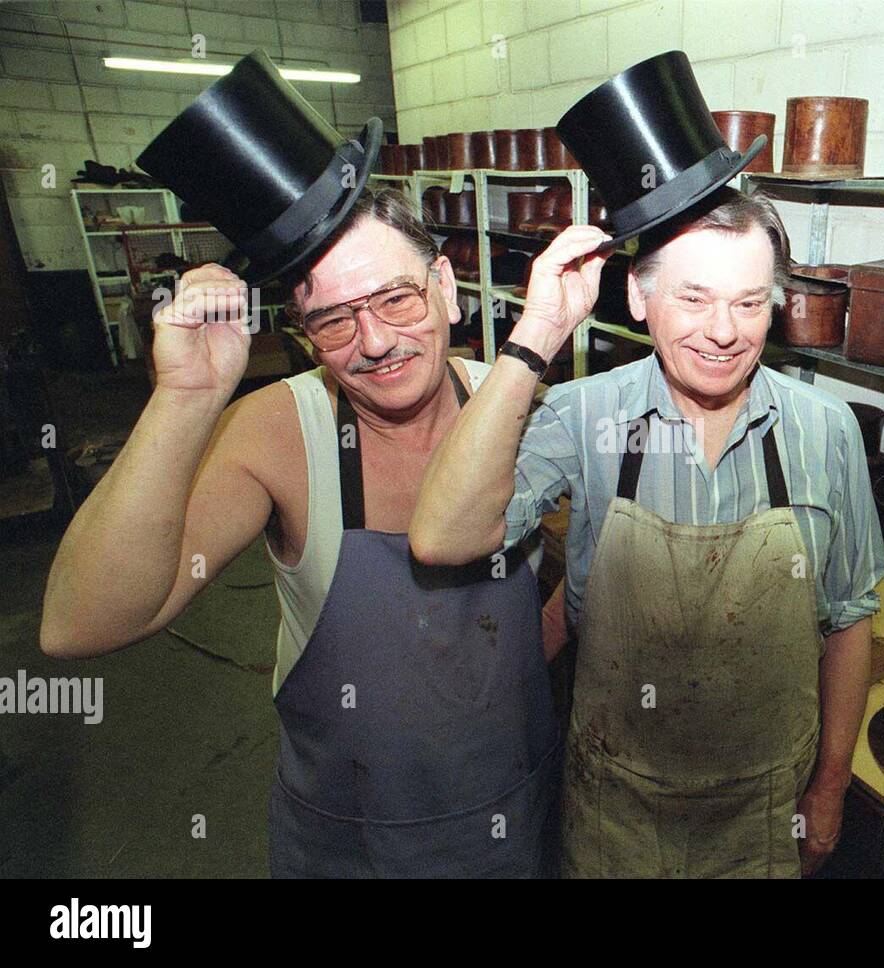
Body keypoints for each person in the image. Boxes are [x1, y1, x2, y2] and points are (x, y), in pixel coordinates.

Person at [41, 189, 562, 876]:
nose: (375, 343)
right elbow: (79, 625)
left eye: (396, 299)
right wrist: (186, 399)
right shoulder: (279, 431)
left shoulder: (523, 408)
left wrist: (510, 676)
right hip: (353, 843)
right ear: (301, 331)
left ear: (444, 286)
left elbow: (589, 580)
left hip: (516, 816)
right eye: (334, 321)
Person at [410, 188, 884, 877]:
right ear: (638, 296)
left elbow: (849, 620)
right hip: (616, 806)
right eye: (693, 299)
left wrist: (831, 788)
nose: (724, 331)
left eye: (750, 302)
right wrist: (537, 334)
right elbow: (441, 537)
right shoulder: (584, 415)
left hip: (765, 809)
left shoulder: (825, 430)